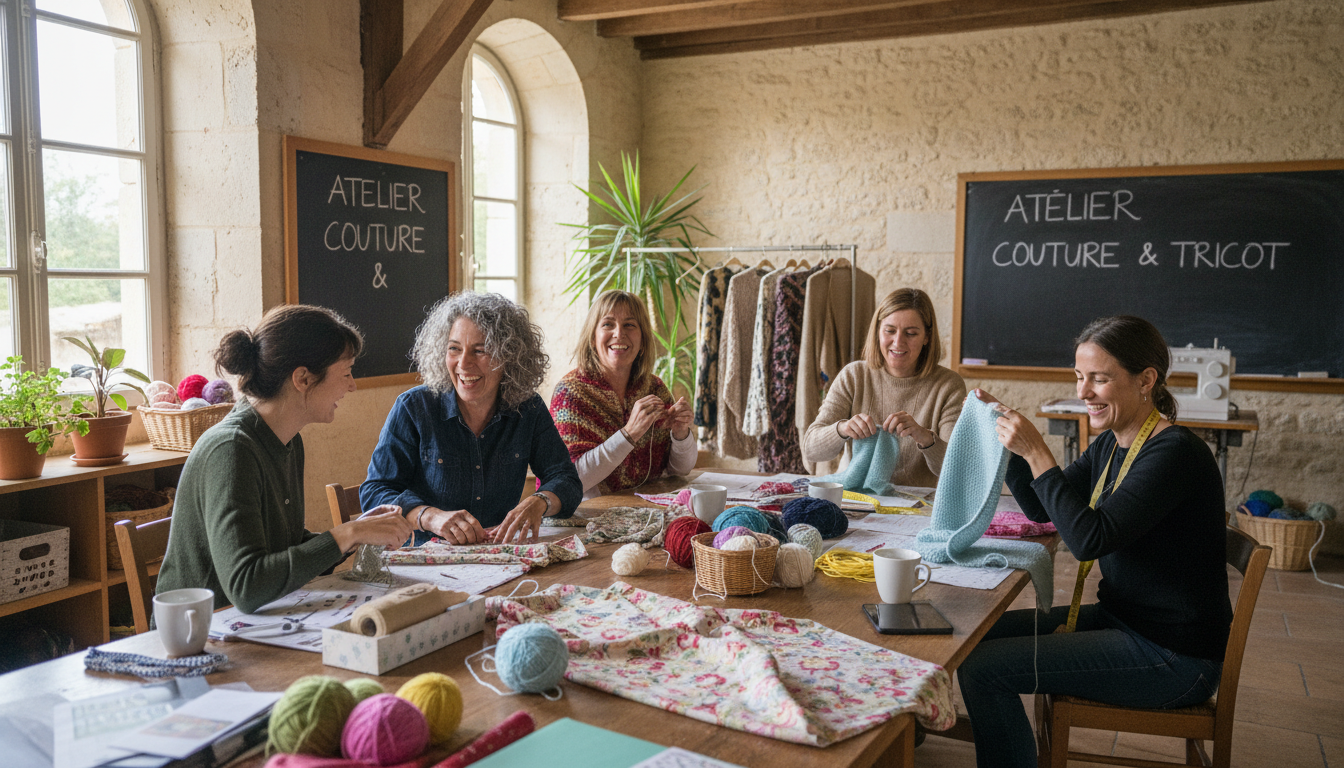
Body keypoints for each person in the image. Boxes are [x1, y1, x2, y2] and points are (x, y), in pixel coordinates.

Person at [957, 315, 1231, 768]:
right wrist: (1002, 442)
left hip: (1172, 656)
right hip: (1122, 621)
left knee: (984, 669)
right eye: (1080, 377)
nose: (1083, 392)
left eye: (1099, 379)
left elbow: (1088, 539)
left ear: (1146, 380)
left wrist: (1037, 452)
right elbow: (1044, 509)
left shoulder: (1175, 453)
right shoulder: (1112, 444)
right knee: (973, 638)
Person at [157, 305, 413, 614]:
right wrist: (347, 534)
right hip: (202, 635)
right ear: (303, 379)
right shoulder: (231, 449)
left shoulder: (288, 440)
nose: (352, 385)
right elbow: (247, 586)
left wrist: (359, 531)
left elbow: (285, 548)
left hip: (257, 623)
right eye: (345, 373)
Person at [361, 291, 581, 545]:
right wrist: (429, 516)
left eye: (480, 350)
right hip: (421, 560)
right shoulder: (414, 407)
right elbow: (375, 492)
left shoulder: (528, 408)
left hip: (500, 556)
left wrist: (539, 502)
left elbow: (567, 481)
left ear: (510, 356)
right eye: (454, 349)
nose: (463, 363)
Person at [801, 287, 966, 487]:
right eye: (889, 331)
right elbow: (811, 449)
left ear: (927, 337)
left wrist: (924, 437)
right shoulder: (853, 376)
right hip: (858, 498)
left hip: (918, 505)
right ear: (878, 331)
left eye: (911, 333)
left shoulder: (948, 385)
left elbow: (957, 468)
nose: (898, 342)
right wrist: (843, 429)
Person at [549, 290, 696, 498]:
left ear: (643, 340)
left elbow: (679, 470)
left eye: (629, 325)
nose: (619, 333)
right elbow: (570, 480)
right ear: (592, 338)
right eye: (608, 324)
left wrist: (681, 434)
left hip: (640, 510)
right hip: (583, 516)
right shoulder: (571, 393)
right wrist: (629, 434)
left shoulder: (654, 387)